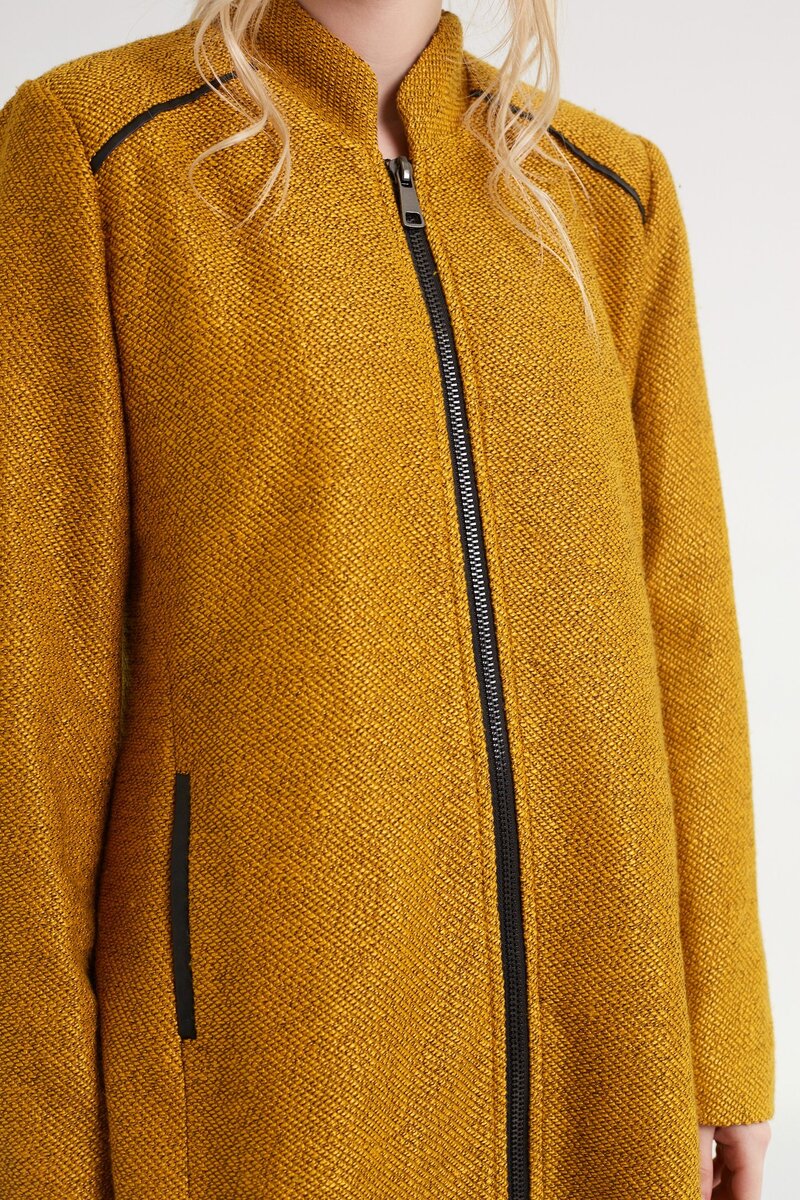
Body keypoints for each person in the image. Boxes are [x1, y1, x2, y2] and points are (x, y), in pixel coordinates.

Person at [0, 0, 775, 1196]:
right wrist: (34, 1147)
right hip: (270, 1081)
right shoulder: (102, 153)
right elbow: (29, 696)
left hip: (605, 1054)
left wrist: (723, 1039)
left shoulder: (609, 193)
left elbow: (688, 637)